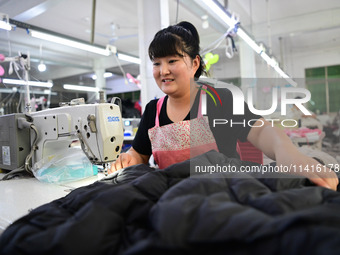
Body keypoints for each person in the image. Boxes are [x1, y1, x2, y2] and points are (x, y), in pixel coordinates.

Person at [110, 21, 338, 190]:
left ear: (194, 63)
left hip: (224, 194)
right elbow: (140, 153)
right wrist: (130, 159)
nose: (163, 71)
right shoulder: (153, 111)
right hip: (170, 199)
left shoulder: (220, 100)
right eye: (156, 63)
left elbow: (260, 130)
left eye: (172, 61)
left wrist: (288, 154)